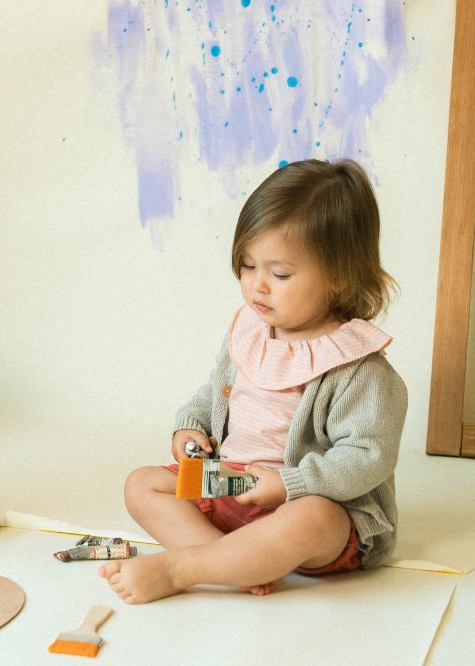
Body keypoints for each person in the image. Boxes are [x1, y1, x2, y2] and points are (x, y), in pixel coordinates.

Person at [100, 158, 406, 603]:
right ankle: (232, 561)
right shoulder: (250, 331)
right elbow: (216, 392)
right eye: (247, 266)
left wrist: (291, 485)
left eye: (280, 274)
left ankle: (186, 567)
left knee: (314, 519)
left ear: (340, 277)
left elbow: (367, 457)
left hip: (303, 505)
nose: (258, 286)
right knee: (142, 484)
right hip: (232, 484)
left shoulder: (358, 366)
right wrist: (192, 427)